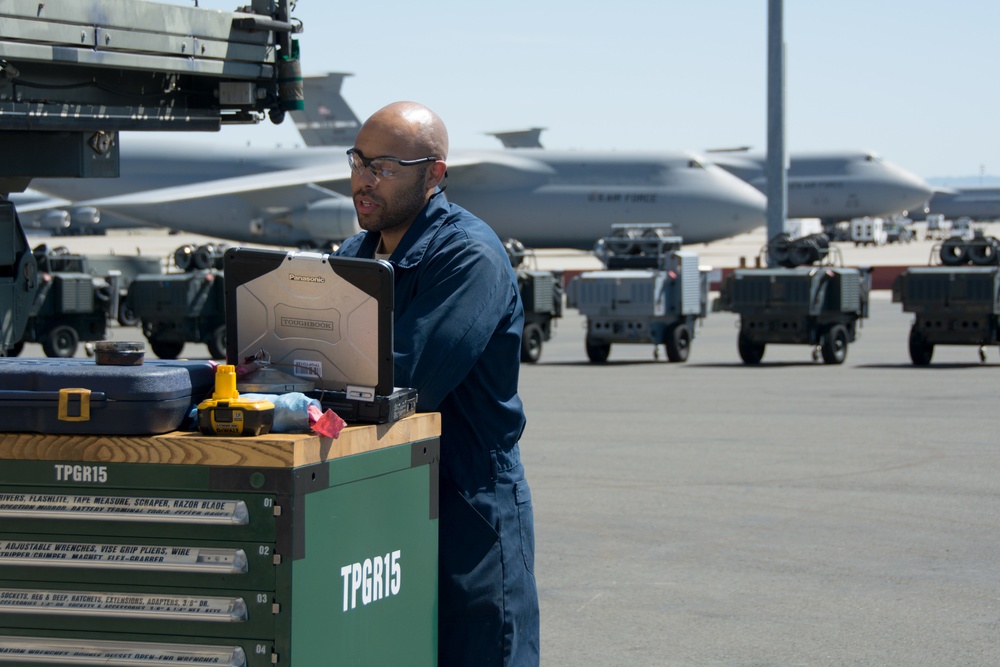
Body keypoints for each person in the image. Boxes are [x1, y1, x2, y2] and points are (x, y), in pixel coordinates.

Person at [335, 101, 540, 666]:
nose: (364, 180)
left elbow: (406, 379)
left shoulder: (469, 256)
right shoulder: (356, 254)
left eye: (385, 166)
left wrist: (305, 384)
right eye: (358, 161)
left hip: (468, 501)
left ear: (435, 174)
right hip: (386, 496)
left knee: (478, 648)